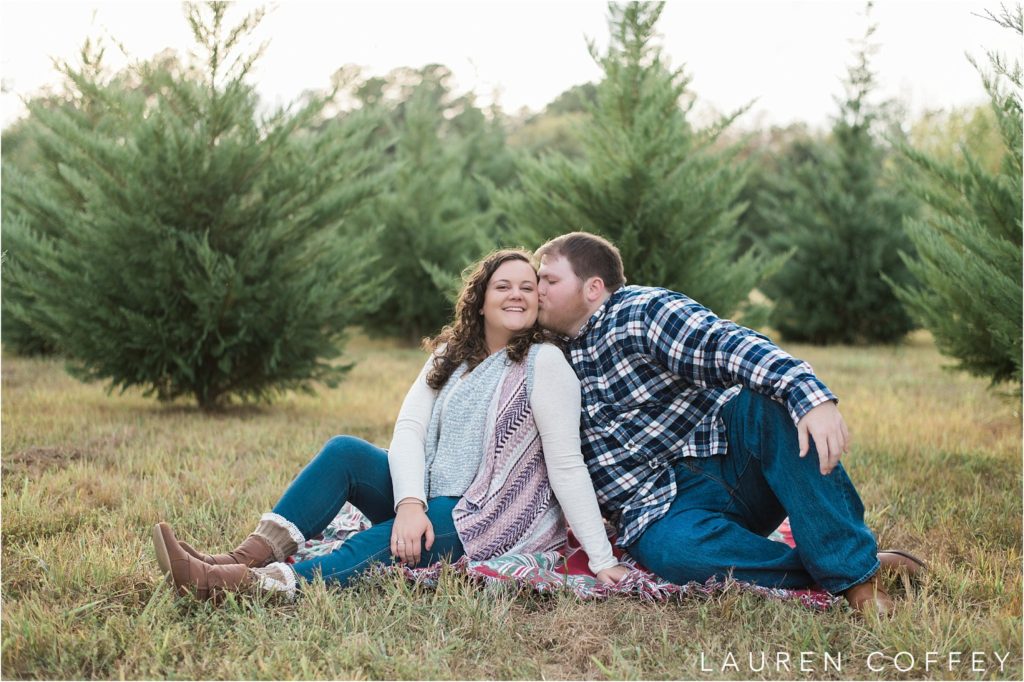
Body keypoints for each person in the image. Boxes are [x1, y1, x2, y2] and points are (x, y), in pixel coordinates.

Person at [152, 249, 629, 600]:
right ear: (481, 300)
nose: (518, 294)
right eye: (504, 286)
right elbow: (409, 433)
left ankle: (229, 585)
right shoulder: (451, 357)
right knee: (345, 453)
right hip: (430, 497)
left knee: (371, 544)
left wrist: (602, 561)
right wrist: (408, 504)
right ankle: (239, 559)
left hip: (488, 517)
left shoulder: (544, 363)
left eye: (529, 287)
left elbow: (567, 465)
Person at [532, 231, 926, 615]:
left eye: (549, 280)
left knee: (766, 402)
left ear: (593, 288)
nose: (539, 290)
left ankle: (857, 579)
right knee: (676, 555)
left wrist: (810, 396)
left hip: (728, 455)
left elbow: (721, 343)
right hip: (661, 511)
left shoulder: (639, 311)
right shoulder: (547, 356)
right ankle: (842, 564)